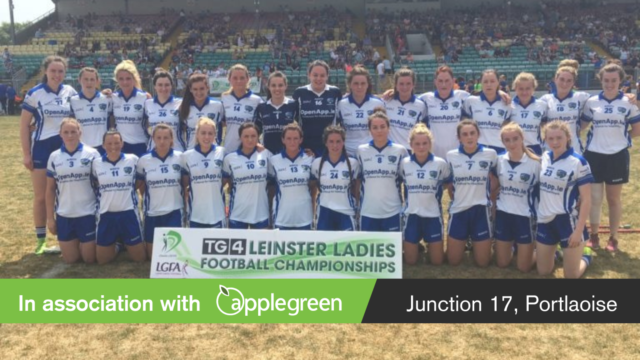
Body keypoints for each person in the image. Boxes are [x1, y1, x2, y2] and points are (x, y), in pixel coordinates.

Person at [20, 56, 78, 254]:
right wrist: (27, 154)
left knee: (64, 195)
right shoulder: (35, 93)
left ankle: (66, 238)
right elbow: (23, 126)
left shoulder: (70, 91)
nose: (57, 75)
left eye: (60, 71)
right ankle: (40, 240)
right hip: (42, 149)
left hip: (65, 148)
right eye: (53, 71)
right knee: (41, 197)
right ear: (45, 71)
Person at [582, 64, 640, 252]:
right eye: (606, 80)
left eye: (614, 80)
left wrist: (622, 140)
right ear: (601, 80)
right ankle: (594, 235)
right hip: (594, 155)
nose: (609, 84)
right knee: (595, 198)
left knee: (613, 199)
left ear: (620, 80)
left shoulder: (628, 103)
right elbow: (582, 125)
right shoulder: (592, 102)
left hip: (617, 156)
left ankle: (613, 238)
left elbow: (637, 130)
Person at [536, 120, 593, 279]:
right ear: (545, 139)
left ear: (568, 138)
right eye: (550, 138)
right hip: (545, 219)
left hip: (567, 220)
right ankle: (559, 253)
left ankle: (586, 257)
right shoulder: (545, 157)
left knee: (571, 276)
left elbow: (587, 200)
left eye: (559, 138)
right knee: (543, 271)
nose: (555, 142)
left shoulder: (578, 162)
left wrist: (578, 230)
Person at [45, 118, 100, 264]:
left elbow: (100, 185)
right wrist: (50, 218)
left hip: (87, 213)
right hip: (65, 215)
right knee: (71, 259)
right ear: (60, 134)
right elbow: (50, 189)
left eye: (73, 132)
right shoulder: (54, 157)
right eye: (66, 132)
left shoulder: (92, 154)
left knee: (89, 259)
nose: (70, 136)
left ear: (80, 133)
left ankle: (114, 242)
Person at [445, 119, 497, 267]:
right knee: (453, 261)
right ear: (459, 138)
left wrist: (490, 193)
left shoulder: (490, 154)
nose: (469, 137)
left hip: (480, 210)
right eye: (465, 134)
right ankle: (467, 240)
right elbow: (449, 183)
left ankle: (477, 240)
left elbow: (497, 178)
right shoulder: (451, 156)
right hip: (459, 210)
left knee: (483, 263)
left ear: (478, 134)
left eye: (472, 133)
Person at [92, 130, 147, 264]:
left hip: (129, 213)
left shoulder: (133, 159)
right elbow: (95, 183)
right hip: (106, 214)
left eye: (117, 143)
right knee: (102, 261)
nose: (113, 146)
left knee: (139, 259)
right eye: (109, 143)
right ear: (103, 145)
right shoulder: (96, 163)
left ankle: (126, 242)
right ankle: (118, 244)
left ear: (122, 143)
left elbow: (140, 181)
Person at [492, 123, 541, 272]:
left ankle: (547, 251)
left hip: (525, 216)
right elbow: (494, 187)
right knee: (502, 264)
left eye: (515, 138)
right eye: (507, 140)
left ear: (522, 138)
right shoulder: (499, 160)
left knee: (523, 268)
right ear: (502, 142)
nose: (511, 143)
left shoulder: (536, 163)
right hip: (503, 214)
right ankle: (512, 250)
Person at [400, 123, 449, 265]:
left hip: (433, 215)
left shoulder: (440, 163)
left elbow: (447, 182)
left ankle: (430, 243)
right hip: (412, 215)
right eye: (417, 144)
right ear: (411, 144)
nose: (421, 147)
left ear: (430, 143)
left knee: (437, 262)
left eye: (424, 143)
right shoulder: (404, 163)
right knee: (410, 261)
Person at [136, 124, 185, 257]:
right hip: (152, 212)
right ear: (153, 139)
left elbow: (185, 184)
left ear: (171, 139)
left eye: (166, 138)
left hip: (174, 210)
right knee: (153, 257)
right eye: (158, 138)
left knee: (173, 255)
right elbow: (140, 185)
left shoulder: (180, 158)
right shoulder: (144, 160)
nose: (162, 141)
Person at [357, 107, 408, 231]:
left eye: (382, 126)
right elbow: (358, 181)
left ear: (388, 128)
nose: (379, 130)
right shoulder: (361, 151)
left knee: (393, 249)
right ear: (369, 130)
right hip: (368, 211)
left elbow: (407, 181)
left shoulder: (400, 151)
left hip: (393, 211)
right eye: (374, 127)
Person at [222, 122, 272, 229]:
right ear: (240, 137)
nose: (250, 139)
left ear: (258, 137)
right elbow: (225, 183)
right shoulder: (229, 159)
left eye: (253, 136)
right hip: (237, 214)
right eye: (246, 136)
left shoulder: (266, 154)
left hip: (261, 214)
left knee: (259, 245)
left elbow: (273, 181)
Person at [311, 125, 360, 231]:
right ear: (326, 143)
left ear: (343, 142)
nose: (335, 145)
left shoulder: (353, 164)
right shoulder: (316, 163)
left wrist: (357, 209)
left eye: (338, 141)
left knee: (347, 246)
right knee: (325, 246)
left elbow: (357, 190)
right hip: (324, 212)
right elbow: (312, 190)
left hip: (346, 212)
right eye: (331, 141)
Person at [181, 117, 227, 228]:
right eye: (203, 133)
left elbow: (226, 179)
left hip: (217, 214)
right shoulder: (187, 156)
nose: (207, 137)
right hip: (196, 215)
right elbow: (184, 183)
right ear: (197, 134)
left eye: (210, 133)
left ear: (215, 135)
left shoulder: (222, 152)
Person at [268, 124, 314, 230]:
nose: (292, 142)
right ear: (283, 140)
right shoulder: (274, 160)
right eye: (288, 138)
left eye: (295, 138)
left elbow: (313, 187)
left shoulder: (310, 159)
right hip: (282, 217)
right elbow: (270, 188)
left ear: (301, 140)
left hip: (305, 217)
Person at [293, 60, 342, 156]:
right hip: (306, 149)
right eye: (315, 75)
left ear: (327, 76)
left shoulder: (335, 92)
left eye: (322, 75)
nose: (318, 78)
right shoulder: (300, 93)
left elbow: (340, 120)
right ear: (309, 75)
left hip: (330, 148)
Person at [539, 65, 591, 154]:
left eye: (569, 80)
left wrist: (622, 95)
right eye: (562, 79)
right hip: (550, 149)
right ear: (555, 79)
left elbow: (602, 99)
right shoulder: (545, 99)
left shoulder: (581, 97)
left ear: (573, 82)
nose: (564, 83)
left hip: (574, 149)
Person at [337, 66, 385, 157]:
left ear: (368, 84)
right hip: (348, 153)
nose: (359, 87)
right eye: (356, 83)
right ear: (350, 84)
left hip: (370, 152)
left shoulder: (378, 103)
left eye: (363, 83)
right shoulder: (341, 104)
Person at [462, 69, 512, 153]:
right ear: (481, 83)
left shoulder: (506, 103)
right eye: (485, 82)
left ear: (498, 83)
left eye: (492, 81)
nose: (489, 84)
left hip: (499, 150)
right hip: (477, 149)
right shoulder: (470, 101)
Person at [220, 64, 263, 154]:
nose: (238, 81)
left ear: (248, 79)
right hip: (229, 150)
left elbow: (261, 127)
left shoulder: (257, 100)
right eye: (235, 78)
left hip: (250, 151)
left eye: (242, 78)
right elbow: (221, 123)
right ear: (229, 79)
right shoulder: (224, 98)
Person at [69, 67, 112, 155]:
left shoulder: (107, 99)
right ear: (79, 80)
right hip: (82, 148)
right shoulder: (73, 101)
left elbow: (113, 120)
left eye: (92, 79)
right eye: (86, 79)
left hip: (103, 147)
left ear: (97, 81)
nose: (89, 82)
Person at [112, 60, 150, 157]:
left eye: (128, 78)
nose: (125, 82)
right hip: (120, 146)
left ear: (134, 78)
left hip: (141, 145)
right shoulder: (113, 98)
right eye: (121, 79)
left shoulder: (144, 97)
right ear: (116, 79)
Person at [383, 68, 427, 151]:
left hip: (410, 151)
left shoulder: (421, 105)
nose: (405, 87)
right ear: (395, 85)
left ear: (413, 85)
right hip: (389, 150)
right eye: (401, 84)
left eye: (408, 83)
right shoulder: (387, 101)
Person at [254, 71, 298, 154]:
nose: (277, 88)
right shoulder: (262, 107)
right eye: (273, 85)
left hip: (289, 154)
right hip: (267, 153)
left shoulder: (293, 105)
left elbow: (302, 128)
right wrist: (257, 144)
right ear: (268, 87)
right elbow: (255, 131)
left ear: (286, 86)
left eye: (280, 85)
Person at [178, 73, 224, 150]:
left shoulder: (218, 105)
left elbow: (223, 126)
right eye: (195, 89)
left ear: (207, 88)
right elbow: (180, 131)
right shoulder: (184, 107)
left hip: (213, 152)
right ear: (190, 89)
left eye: (202, 88)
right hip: (191, 153)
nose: (199, 92)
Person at [145, 70, 185, 152]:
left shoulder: (180, 103)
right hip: (153, 151)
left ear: (171, 86)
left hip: (176, 151)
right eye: (160, 85)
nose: (163, 88)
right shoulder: (147, 103)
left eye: (167, 85)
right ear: (154, 86)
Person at [509, 72, 548, 155]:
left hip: (535, 148)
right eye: (521, 89)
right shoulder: (509, 105)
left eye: (528, 88)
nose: (524, 92)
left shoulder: (542, 105)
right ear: (515, 89)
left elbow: (545, 127)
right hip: (513, 148)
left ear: (533, 88)